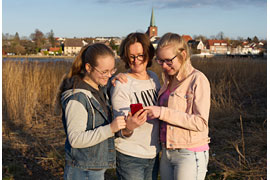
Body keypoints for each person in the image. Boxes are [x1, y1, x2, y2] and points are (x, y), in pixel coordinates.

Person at [145, 32, 211, 180]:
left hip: (190, 152)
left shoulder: (197, 79)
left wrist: (162, 112)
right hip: (167, 152)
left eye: (168, 61)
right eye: (160, 61)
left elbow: (201, 123)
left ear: (183, 54)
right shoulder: (167, 81)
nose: (164, 66)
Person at [58, 43, 127, 180]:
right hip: (82, 171)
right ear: (88, 67)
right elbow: (75, 139)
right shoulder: (76, 98)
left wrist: (114, 78)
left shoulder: (98, 88)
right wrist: (111, 129)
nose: (108, 75)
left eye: (112, 70)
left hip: (93, 168)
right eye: (104, 72)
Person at [110, 32, 161, 180]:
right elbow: (119, 129)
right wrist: (129, 127)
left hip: (153, 152)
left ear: (149, 54)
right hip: (130, 155)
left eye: (140, 55)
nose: (136, 60)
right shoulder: (122, 83)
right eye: (132, 56)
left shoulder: (154, 78)